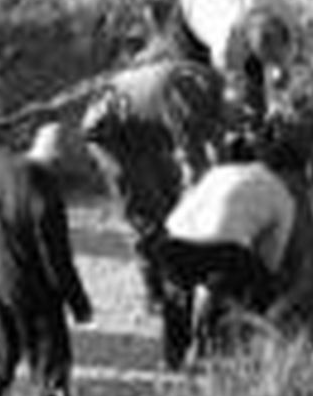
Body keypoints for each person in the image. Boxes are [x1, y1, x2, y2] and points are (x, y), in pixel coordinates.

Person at [79, 58, 226, 370]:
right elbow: (196, 168)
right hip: (108, 132)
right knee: (149, 215)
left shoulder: (215, 87)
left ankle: (165, 274)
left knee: (170, 201)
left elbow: (217, 147)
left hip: (142, 125)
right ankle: (155, 292)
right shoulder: (187, 100)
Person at [142, 140, 308, 366]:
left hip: (169, 242)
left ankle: (174, 357)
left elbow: (187, 204)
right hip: (221, 251)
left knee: (178, 292)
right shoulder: (283, 196)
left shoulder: (220, 172)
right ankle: (216, 342)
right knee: (256, 283)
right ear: (292, 173)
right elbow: (272, 258)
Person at [0, 120, 94, 396]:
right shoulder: (46, 194)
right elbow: (58, 260)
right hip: (35, 289)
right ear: (59, 160)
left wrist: (7, 221)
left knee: (5, 346)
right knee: (52, 355)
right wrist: (79, 304)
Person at [135, 0, 291, 132]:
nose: (272, 62)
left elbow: (278, 72)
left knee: (255, 86)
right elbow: (229, 97)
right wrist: (237, 115)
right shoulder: (224, 46)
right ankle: (148, 58)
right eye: (266, 58)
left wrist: (277, 99)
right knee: (197, 96)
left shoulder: (270, 14)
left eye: (274, 57)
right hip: (188, 17)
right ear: (246, 42)